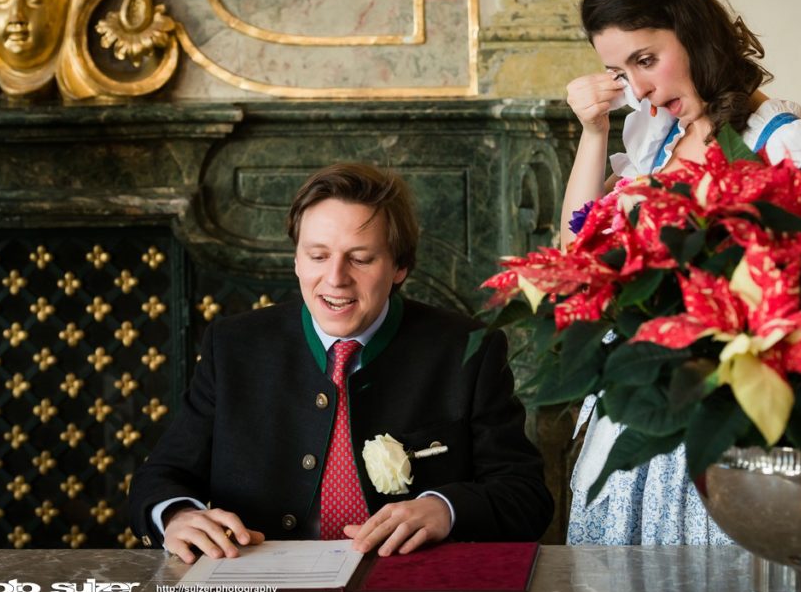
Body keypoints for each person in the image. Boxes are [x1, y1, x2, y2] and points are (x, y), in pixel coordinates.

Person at [561, 0, 801, 545]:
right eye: (621, 74)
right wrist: (593, 133)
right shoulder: (651, 136)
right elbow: (577, 254)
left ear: (692, 32)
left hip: (730, 429)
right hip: (640, 424)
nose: (637, 90)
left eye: (646, 59)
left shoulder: (785, 143)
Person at [129, 163, 553, 563]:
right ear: (296, 259)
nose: (335, 278)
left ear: (400, 266)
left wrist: (445, 509)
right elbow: (161, 477)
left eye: (361, 258)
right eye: (317, 256)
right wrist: (176, 516)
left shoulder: (468, 348)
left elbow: (527, 497)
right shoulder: (234, 345)